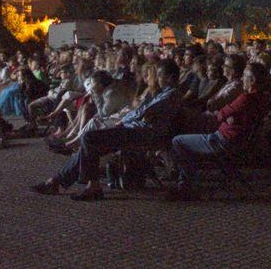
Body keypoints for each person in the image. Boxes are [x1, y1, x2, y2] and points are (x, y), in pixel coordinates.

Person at [31, 60, 182, 201]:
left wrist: (123, 121)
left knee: (90, 138)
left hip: (144, 134)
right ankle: (58, 181)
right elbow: (140, 111)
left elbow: (143, 112)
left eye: (160, 74)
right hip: (135, 129)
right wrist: (127, 119)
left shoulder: (171, 94)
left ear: (170, 77)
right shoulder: (160, 93)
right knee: (89, 142)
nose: (157, 78)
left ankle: (90, 186)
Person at [166, 62, 271, 200]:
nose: (241, 79)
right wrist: (228, 117)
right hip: (238, 140)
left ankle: (185, 186)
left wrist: (226, 117)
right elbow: (227, 115)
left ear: (252, 80)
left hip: (222, 140)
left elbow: (220, 114)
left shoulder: (245, 98)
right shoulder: (262, 98)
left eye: (244, 76)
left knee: (178, 141)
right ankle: (188, 179)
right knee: (189, 136)